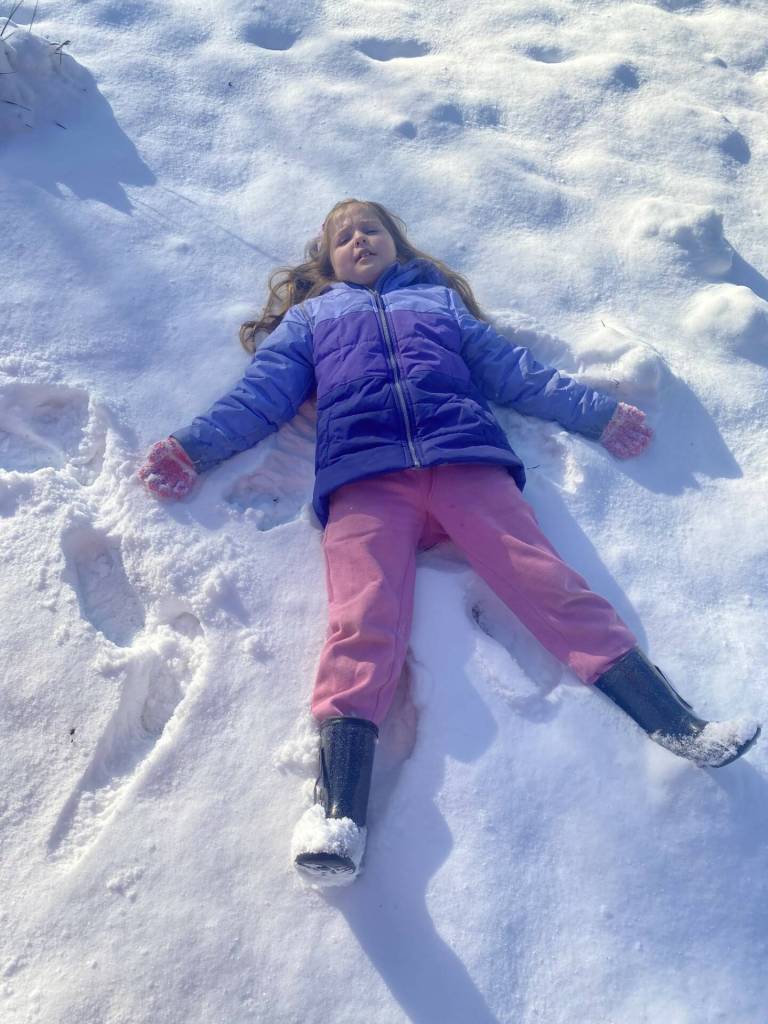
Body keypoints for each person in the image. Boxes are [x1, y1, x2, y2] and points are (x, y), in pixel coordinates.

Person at [139, 198, 761, 885]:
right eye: (342, 237)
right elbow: (260, 396)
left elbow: (518, 375)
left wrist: (599, 413)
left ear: (396, 244)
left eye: (370, 229)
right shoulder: (313, 319)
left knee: (549, 584)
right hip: (365, 481)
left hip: (466, 465)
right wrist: (195, 448)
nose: (358, 240)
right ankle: (337, 813)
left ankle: (677, 724)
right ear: (326, 262)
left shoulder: (437, 305)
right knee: (362, 620)